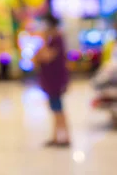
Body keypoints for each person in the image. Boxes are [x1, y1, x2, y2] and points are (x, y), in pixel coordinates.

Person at [34, 13, 70, 147]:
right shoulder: (52, 40)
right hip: (50, 81)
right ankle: (56, 137)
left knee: (58, 109)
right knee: (55, 109)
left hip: (56, 81)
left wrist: (42, 41)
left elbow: (45, 57)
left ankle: (65, 137)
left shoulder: (56, 40)